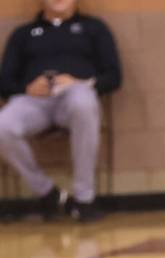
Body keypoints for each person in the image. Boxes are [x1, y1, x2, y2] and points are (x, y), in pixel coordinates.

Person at [0, 0, 121, 222]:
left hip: (76, 95)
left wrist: (80, 82)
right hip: (34, 101)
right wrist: (27, 88)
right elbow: (4, 82)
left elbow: (114, 77)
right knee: (2, 126)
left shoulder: (94, 28)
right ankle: (48, 193)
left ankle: (85, 199)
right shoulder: (23, 34)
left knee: (83, 103)